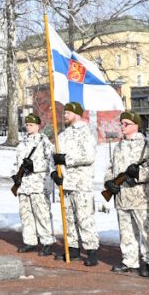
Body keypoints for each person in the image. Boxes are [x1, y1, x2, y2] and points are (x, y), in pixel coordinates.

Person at [105, 111, 149, 277]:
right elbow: (110, 168)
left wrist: (138, 174)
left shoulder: (146, 147)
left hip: (142, 198)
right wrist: (109, 182)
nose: (122, 127)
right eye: (121, 124)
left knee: (146, 231)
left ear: (136, 125)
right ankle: (129, 260)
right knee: (126, 231)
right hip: (122, 197)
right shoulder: (118, 147)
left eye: (126, 124)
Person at [53, 102, 99, 265]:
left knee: (85, 218)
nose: (64, 115)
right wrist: (56, 172)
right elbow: (55, 158)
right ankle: (72, 249)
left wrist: (66, 160)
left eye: (68, 113)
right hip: (66, 183)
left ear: (77, 114)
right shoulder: (63, 135)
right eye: (64, 113)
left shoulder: (86, 132)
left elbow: (88, 156)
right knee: (69, 218)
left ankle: (92, 250)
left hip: (81, 183)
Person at [13, 113, 56, 256]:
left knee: (42, 214)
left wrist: (34, 166)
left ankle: (47, 242)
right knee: (26, 214)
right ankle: (30, 241)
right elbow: (16, 162)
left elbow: (51, 162)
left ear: (38, 126)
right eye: (26, 124)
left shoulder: (44, 143)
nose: (28, 127)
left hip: (39, 184)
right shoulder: (22, 143)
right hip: (24, 185)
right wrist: (14, 175)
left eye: (31, 125)